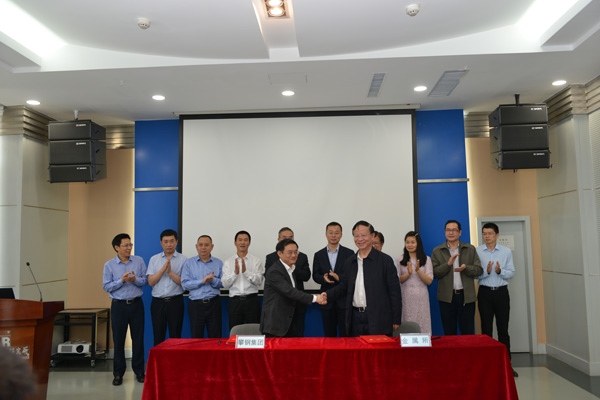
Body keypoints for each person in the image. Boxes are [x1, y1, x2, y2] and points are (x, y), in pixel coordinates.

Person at [326, 221, 402, 336]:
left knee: (378, 347)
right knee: (357, 347)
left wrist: (396, 318)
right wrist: (326, 295)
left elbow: (394, 291)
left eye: (363, 235)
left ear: (372, 236)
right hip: (355, 318)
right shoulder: (350, 262)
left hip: (378, 317)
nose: (360, 239)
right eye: (356, 236)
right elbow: (344, 286)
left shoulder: (385, 261)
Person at [102, 233, 147, 386]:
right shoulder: (109, 265)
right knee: (119, 340)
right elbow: (106, 286)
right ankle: (118, 374)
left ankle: (139, 371)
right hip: (119, 306)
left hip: (136, 305)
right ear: (117, 247)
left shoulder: (139, 261)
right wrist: (121, 281)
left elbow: (145, 281)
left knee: (138, 339)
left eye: (130, 245)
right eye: (126, 245)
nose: (129, 248)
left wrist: (135, 280)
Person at [476, 222, 518, 377]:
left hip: (501, 293)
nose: (487, 236)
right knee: (486, 331)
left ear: (497, 235)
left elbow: (512, 272)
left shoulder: (506, 251)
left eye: (490, 233)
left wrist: (500, 271)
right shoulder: (477, 251)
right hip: (485, 293)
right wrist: (486, 272)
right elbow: (474, 274)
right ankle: (487, 366)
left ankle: (507, 365)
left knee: (503, 330)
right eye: (484, 233)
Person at [261, 239, 326, 337]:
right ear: (279, 253)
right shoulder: (274, 271)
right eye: (290, 252)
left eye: (296, 252)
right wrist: (316, 298)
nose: (294, 255)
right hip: (276, 325)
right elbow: (290, 292)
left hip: (290, 322)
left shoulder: (291, 269)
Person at [432, 220, 483, 335]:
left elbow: (479, 270)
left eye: (454, 230)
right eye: (448, 230)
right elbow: (434, 273)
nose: (451, 233)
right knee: (449, 333)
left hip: (466, 297)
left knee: (467, 332)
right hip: (446, 298)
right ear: (445, 232)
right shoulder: (437, 250)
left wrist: (466, 268)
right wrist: (448, 264)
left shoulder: (470, 248)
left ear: (460, 232)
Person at [265, 227, 311, 336]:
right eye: (284, 237)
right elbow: (270, 278)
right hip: (279, 309)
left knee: (297, 337)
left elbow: (306, 276)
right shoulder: (272, 259)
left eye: (290, 238)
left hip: (298, 304)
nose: (293, 255)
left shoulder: (300, 257)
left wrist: (292, 267)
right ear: (278, 240)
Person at [312, 222, 355, 337]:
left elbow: (352, 276)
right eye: (330, 233)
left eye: (336, 233)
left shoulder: (349, 253)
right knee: (329, 335)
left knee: (345, 335)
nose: (333, 235)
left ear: (341, 235)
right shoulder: (319, 254)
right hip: (326, 301)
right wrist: (323, 278)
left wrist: (339, 277)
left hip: (344, 301)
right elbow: (315, 275)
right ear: (326, 234)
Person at [146, 229, 187, 346]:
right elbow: (151, 282)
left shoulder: (183, 259)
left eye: (172, 241)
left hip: (175, 302)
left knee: (176, 336)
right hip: (158, 303)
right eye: (166, 241)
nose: (169, 244)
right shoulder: (154, 259)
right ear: (161, 243)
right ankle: (159, 359)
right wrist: (162, 270)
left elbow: (184, 283)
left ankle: (176, 358)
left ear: (176, 242)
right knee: (158, 336)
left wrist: (170, 273)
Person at [181, 235, 223, 338]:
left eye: (206, 245)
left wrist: (213, 280)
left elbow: (223, 284)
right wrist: (202, 281)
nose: (203, 247)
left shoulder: (218, 263)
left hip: (214, 304)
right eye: (200, 245)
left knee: (215, 338)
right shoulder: (189, 263)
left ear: (212, 247)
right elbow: (185, 284)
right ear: (196, 246)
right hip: (196, 305)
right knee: (196, 338)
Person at [221, 230, 264, 330]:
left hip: (252, 301)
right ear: (235, 243)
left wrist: (246, 272)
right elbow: (224, 284)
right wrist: (235, 273)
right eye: (240, 240)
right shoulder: (228, 262)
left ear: (249, 242)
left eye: (245, 240)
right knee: (234, 331)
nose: (242, 242)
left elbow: (259, 281)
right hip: (235, 302)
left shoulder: (256, 261)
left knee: (254, 331)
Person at [398, 231, 433, 333]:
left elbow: (429, 281)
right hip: (406, 296)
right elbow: (398, 280)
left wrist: (418, 271)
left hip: (421, 297)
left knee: (422, 321)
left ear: (418, 243)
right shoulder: (400, 259)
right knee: (407, 321)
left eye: (413, 242)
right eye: (407, 242)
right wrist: (408, 274)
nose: (410, 245)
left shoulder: (426, 259)